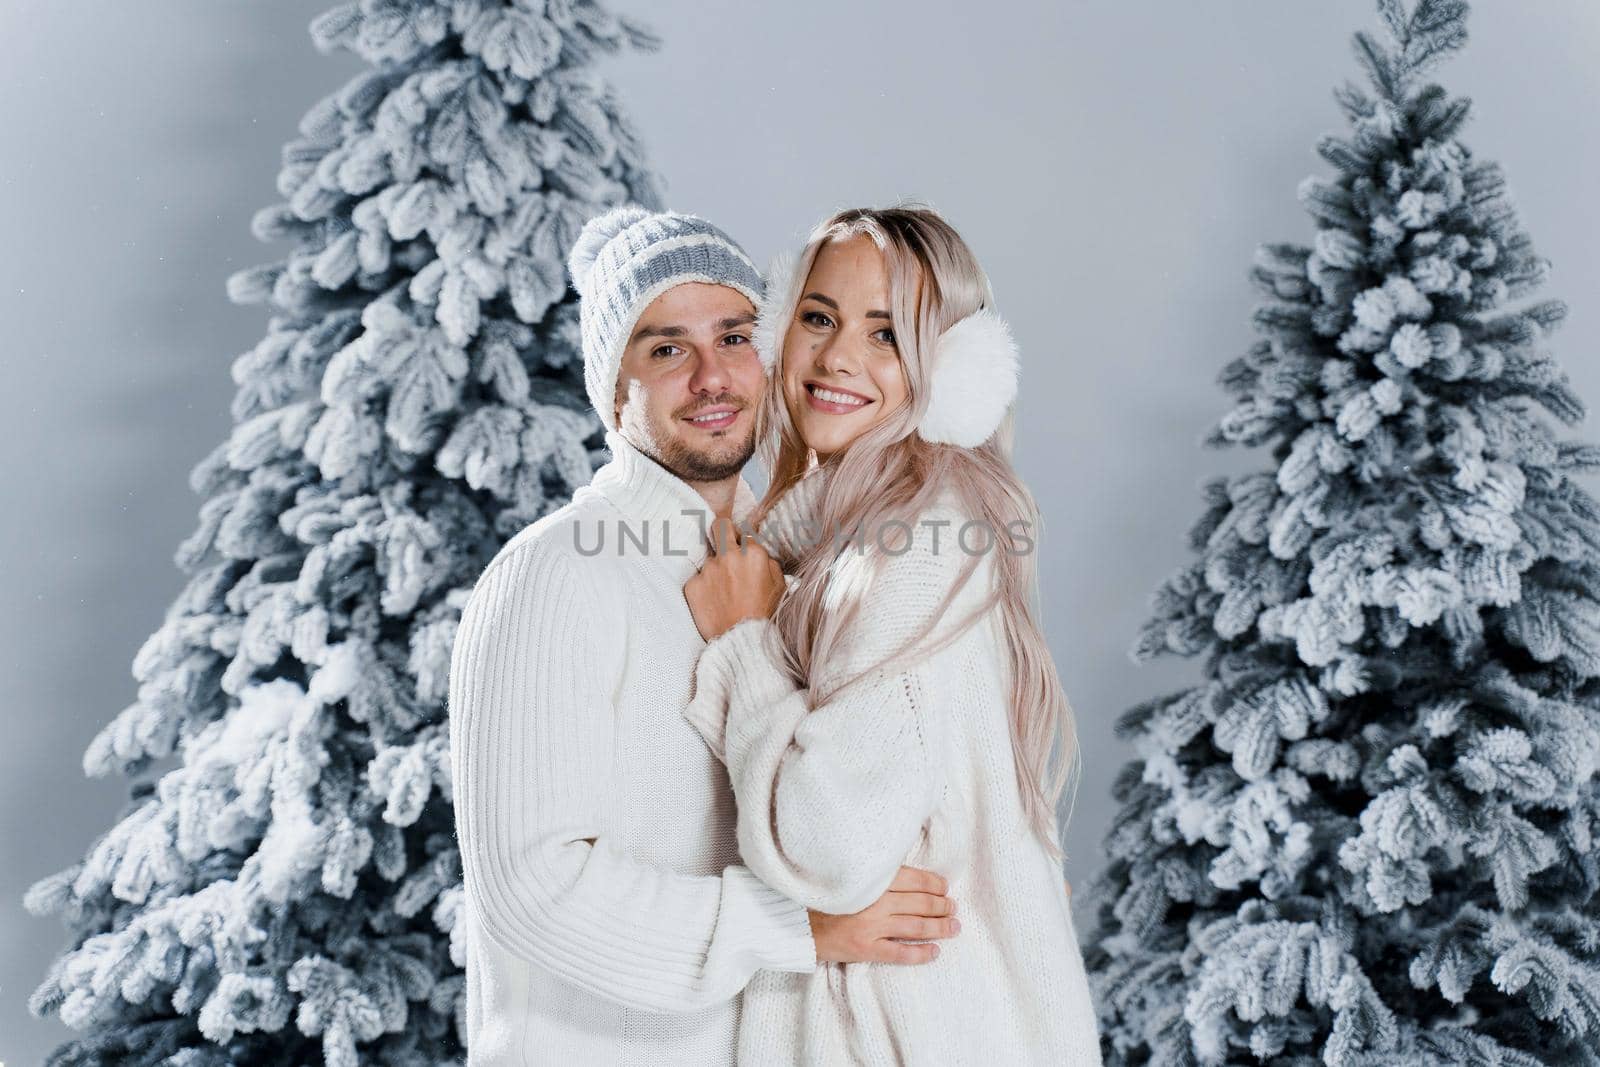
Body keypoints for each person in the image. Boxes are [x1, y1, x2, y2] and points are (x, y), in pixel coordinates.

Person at [447, 206, 960, 1066]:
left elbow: (839, 804)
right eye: (666, 349)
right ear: (614, 389)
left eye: (733, 336)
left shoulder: (776, 580)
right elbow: (532, 889)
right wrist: (798, 926)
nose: (713, 376)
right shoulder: (557, 573)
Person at [681, 204, 1103, 1064]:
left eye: (888, 334)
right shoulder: (831, 535)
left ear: (950, 371)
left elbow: (827, 844)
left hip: (911, 1030)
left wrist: (745, 643)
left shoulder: (913, 540)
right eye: (819, 318)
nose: (839, 357)